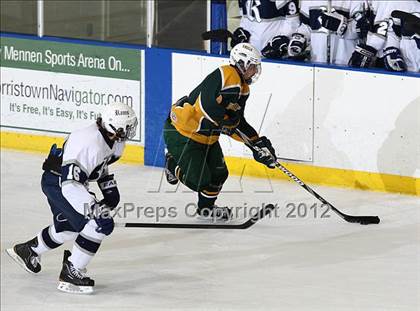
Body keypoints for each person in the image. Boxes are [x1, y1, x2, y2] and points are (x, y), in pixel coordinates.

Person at [6, 102, 138, 294]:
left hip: (68, 182)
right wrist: (95, 210)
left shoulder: (113, 140)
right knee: (95, 224)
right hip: (59, 183)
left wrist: (107, 185)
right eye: (127, 126)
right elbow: (70, 187)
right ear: (114, 126)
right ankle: (72, 272)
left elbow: (98, 165)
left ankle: (28, 250)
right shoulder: (87, 143)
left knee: (69, 227)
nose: (131, 129)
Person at [163, 43, 277, 221]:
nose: (255, 71)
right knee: (199, 181)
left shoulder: (243, 89)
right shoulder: (225, 74)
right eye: (253, 66)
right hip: (182, 132)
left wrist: (258, 144)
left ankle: (206, 209)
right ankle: (172, 164)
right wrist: (225, 123)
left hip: (206, 137)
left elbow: (238, 122)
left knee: (219, 174)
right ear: (242, 63)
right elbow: (206, 105)